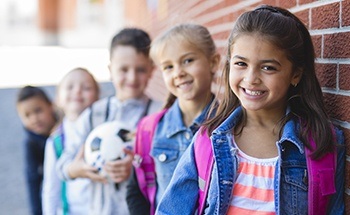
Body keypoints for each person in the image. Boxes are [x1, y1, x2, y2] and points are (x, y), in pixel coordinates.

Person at [156, 5, 345, 215]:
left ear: (296, 75)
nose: (251, 78)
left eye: (268, 67)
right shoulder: (208, 139)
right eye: (241, 64)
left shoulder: (322, 143)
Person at [55, 28, 163, 215]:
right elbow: (62, 166)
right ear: (110, 70)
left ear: (151, 70)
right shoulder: (93, 115)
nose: (131, 77)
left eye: (140, 70)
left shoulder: (159, 115)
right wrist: (78, 169)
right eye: (123, 69)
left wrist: (137, 168)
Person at [126, 23, 221, 215]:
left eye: (187, 61)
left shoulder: (230, 126)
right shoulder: (150, 129)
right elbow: (136, 192)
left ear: (213, 62)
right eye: (168, 67)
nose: (178, 72)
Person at [42, 68, 100, 214]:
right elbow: (51, 189)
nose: (77, 91)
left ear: (97, 98)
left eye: (86, 88)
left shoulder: (103, 132)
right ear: (58, 99)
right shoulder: (55, 142)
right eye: (70, 87)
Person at [16, 86, 58, 215]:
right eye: (27, 115)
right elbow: (33, 180)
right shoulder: (31, 143)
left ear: (50, 106)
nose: (34, 119)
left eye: (38, 111)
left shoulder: (66, 128)